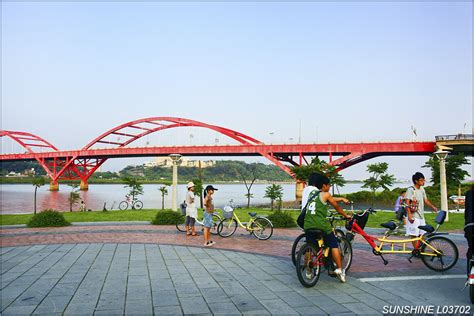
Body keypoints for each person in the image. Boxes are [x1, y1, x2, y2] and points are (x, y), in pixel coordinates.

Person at [304, 173, 351, 283]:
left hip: (308, 224)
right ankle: (339, 270)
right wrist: (346, 215)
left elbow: (329, 199)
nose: (329, 187)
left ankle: (308, 271)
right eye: (329, 185)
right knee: (333, 244)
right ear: (324, 185)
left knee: (309, 246)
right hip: (320, 225)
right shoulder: (326, 194)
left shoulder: (312, 194)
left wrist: (341, 199)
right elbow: (336, 207)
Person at [405, 172, 438, 247]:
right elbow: (407, 203)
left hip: (421, 216)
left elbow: (425, 200)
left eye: (424, 180)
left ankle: (420, 249)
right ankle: (416, 250)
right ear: (416, 181)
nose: (423, 182)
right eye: (421, 180)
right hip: (413, 215)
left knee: (422, 234)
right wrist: (409, 215)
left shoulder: (422, 189)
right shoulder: (411, 189)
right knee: (414, 235)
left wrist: (433, 207)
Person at [464, 178, 473, 274]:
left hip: (469, 225)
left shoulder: (469, 193)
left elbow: (467, 212)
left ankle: (469, 276)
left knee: (471, 248)